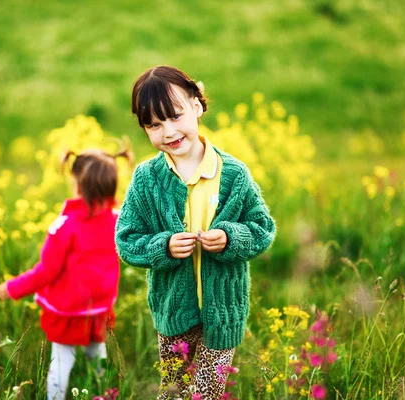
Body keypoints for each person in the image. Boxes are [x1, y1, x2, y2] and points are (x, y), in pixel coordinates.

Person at [115, 65, 276, 399]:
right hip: (173, 315)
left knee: (207, 394)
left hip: (224, 315)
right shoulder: (146, 179)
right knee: (174, 391)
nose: (168, 131)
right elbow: (126, 240)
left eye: (174, 116)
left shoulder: (234, 174)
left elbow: (262, 228)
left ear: (198, 106)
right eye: (154, 125)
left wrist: (232, 238)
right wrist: (164, 246)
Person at [0, 147, 132, 400]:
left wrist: (12, 288)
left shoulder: (66, 226)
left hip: (68, 309)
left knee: (62, 360)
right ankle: (104, 391)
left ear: (79, 187)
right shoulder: (118, 220)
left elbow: (46, 272)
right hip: (100, 305)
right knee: (96, 350)